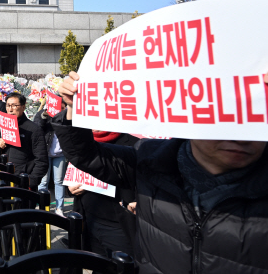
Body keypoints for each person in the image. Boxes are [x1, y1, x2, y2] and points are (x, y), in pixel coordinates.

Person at [54, 71, 268, 273]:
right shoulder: (150, 159)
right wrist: (75, 108)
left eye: (258, 117)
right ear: (190, 109)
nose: (244, 135)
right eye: (228, 116)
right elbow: (85, 154)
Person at [68, 130, 139, 260]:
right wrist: (70, 187)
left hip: (119, 226)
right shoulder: (81, 144)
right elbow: (72, 174)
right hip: (89, 220)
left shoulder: (134, 143)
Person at [0, 92, 48, 190]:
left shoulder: (33, 129)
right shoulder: (4, 126)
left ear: (23, 107)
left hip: (24, 182)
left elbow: (42, 161)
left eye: (14, 106)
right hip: (6, 179)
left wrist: (31, 181)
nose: (10, 109)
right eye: (8, 105)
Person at [33, 97, 68, 215]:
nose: (61, 110)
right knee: (43, 181)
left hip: (60, 154)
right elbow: (37, 128)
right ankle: (42, 206)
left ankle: (59, 208)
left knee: (59, 181)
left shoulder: (68, 117)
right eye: (59, 108)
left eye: (63, 108)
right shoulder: (42, 114)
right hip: (45, 153)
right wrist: (44, 116)